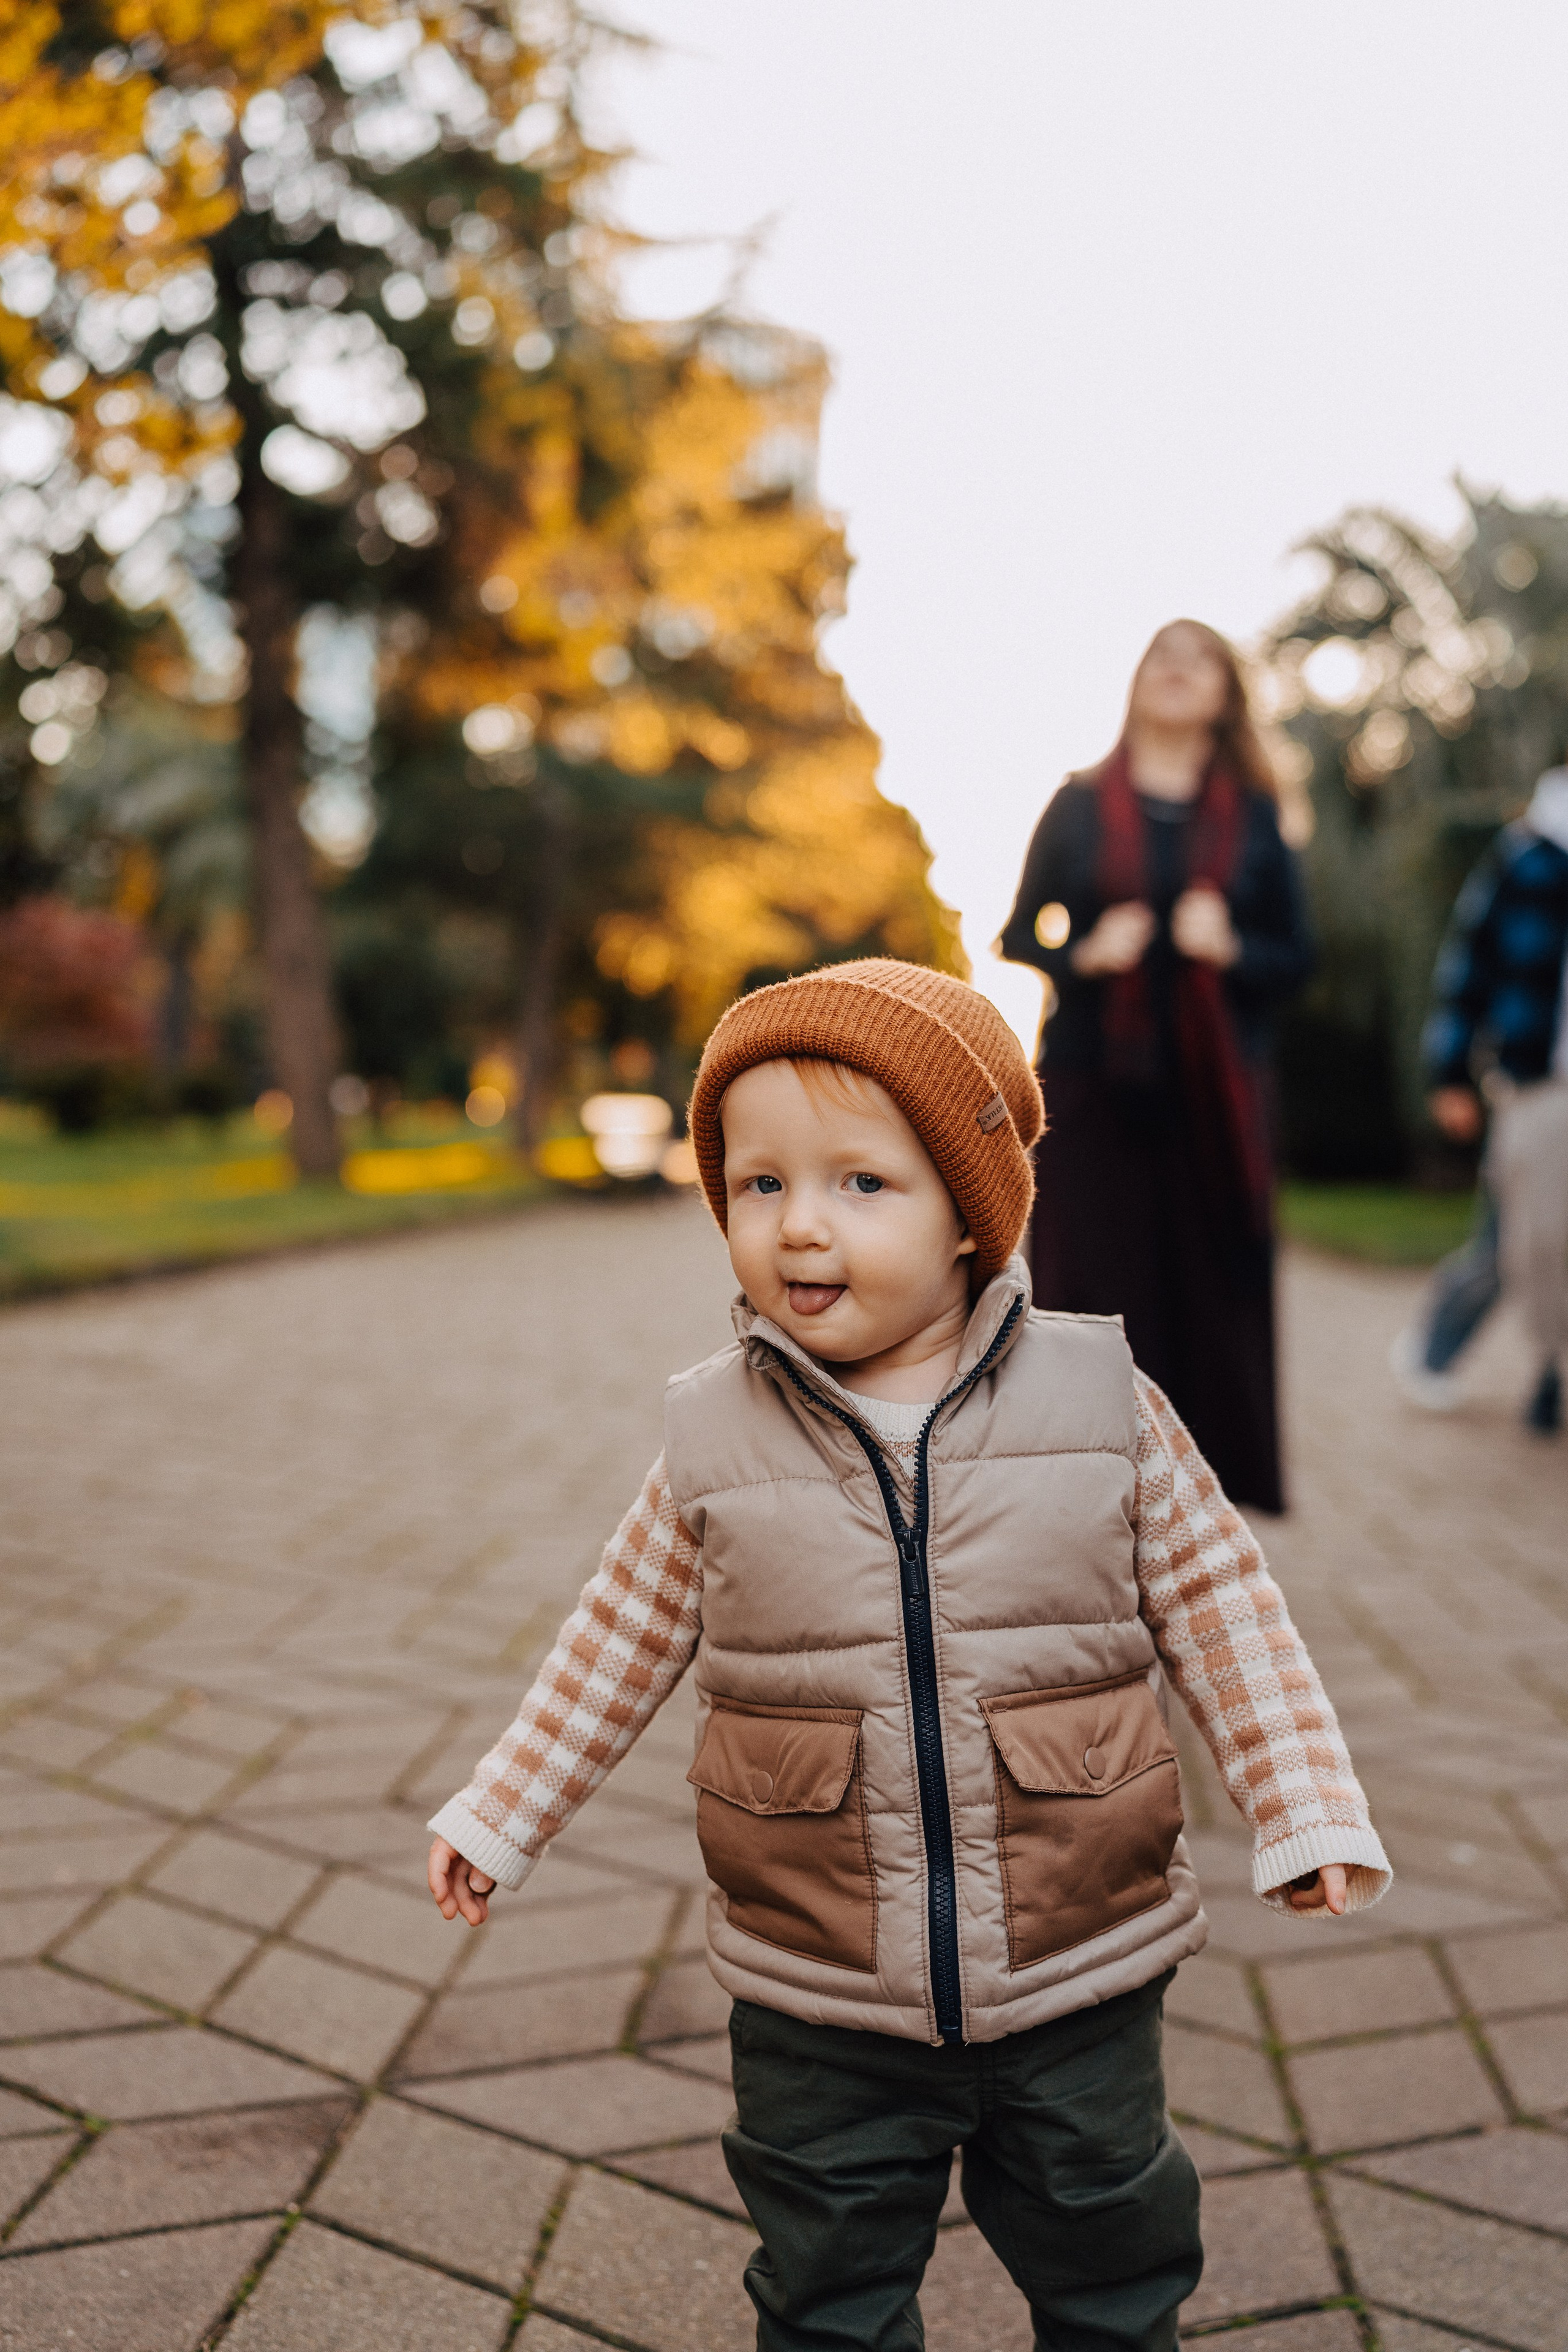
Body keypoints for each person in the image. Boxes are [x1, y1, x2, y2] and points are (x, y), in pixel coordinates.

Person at [426, 960, 1388, 2352]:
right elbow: (615, 1637)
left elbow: (1221, 1604)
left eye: (860, 1183)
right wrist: (504, 1808)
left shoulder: (1101, 1402)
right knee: (825, 2281)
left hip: (1078, 1957)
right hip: (815, 1978)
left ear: (969, 1213)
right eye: (758, 1183)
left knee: (1114, 2250)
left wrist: (1301, 1799)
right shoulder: (712, 1437)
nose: (798, 1224)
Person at [1000, 620, 1314, 1513]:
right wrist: (1083, 952)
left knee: (1211, 1291)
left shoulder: (1255, 817)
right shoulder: (1077, 804)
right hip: (1095, 1086)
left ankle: (1201, 1511)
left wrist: (1235, 949)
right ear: (1136, 683)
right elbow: (1019, 933)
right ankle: (1080, 1494)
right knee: (1090, 1291)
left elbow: (1299, 958)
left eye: (1199, 658)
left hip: (1217, 1101)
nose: (1177, 669)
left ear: (1226, 694)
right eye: (1162, 656)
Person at [1392, 764, 1568, 1433]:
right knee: (1516, 1241)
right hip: (1539, 1084)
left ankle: (1552, 1378)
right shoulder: (1528, 854)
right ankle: (1438, 1350)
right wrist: (1449, 1072)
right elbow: (1469, 964)